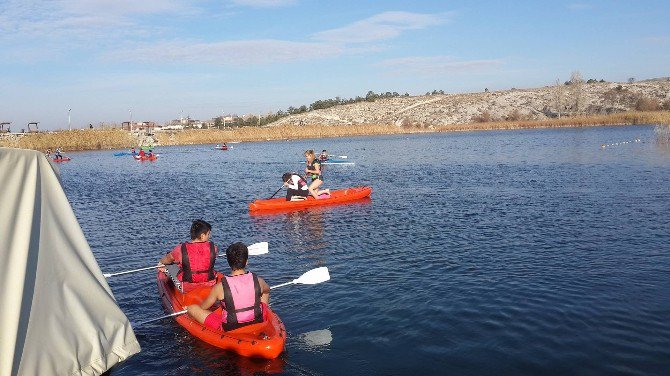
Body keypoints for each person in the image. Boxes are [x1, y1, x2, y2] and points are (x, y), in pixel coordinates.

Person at [186, 242, 270, 331]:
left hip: (231, 327)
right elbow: (267, 290)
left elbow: (204, 307)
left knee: (193, 308)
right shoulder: (258, 281)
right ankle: (264, 316)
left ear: (229, 262)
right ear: (246, 262)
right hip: (257, 320)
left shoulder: (220, 287)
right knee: (265, 292)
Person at [158, 220, 218, 293]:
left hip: (187, 288)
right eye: (208, 234)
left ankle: (165, 271)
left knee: (170, 264)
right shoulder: (214, 248)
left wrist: (161, 262)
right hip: (210, 285)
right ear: (202, 236)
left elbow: (168, 259)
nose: (209, 236)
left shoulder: (180, 248)